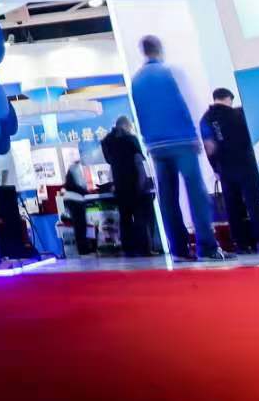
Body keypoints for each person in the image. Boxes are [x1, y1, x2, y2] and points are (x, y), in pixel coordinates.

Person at [130, 35, 225, 260]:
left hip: (156, 146)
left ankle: (179, 250)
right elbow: (191, 103)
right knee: (196, 193)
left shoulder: (136, 80)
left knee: (168, 198)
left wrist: (148, 142)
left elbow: (139, 113)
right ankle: (207, 247)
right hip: (182, 140)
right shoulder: (171, 72)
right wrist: (204, 136)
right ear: (160, 49)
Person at [201, 88, 259, 254]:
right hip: (246, 165)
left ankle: (242, 244)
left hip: (224, 168)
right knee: (254, 204)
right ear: (229, 99)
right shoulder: (238, 114)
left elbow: (209, 148)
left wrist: (215, 169)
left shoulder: (205, 119)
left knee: (233, 207)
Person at [101, 116, 152, 257]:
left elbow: (109, 161)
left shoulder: (107, 142)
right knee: (140, 217)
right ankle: (144, 248)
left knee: (125, 218)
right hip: (135, 181)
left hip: (120, 183)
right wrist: (143, 182)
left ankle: (128, 249)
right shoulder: (131, 139)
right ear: (127, 126)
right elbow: (139, 161)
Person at [62, 159, 92, 255]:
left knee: (79, 225)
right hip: (75, 199)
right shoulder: (75, 168)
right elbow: (78, 185)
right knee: (80, 225)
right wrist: (86, 192)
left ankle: (82, 248)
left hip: (72, 198)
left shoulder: (73, 168)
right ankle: (82, 249)